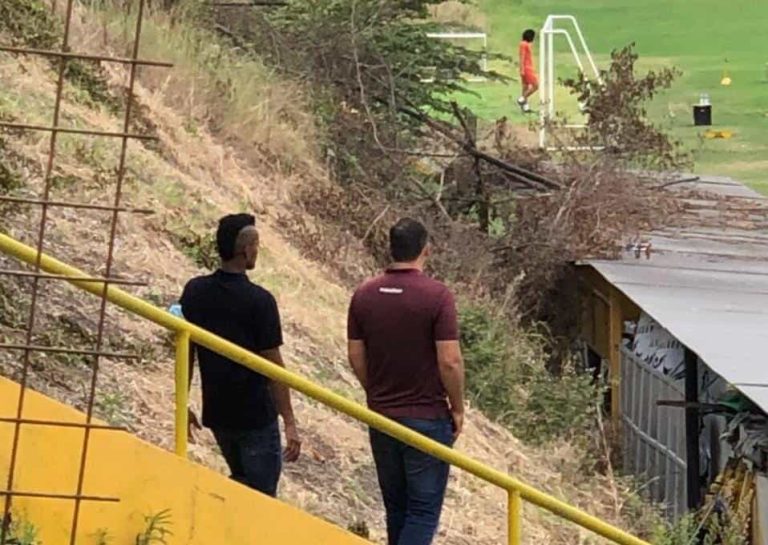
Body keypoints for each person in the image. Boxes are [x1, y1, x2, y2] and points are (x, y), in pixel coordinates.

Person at [347, 218, 465, 545]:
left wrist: (375, 391)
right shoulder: (438, 297)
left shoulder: (364, 294)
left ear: (391, 248)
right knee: (423, 512)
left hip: (381, 415)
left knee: (396, 507)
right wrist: (457, 408)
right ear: (426, 250)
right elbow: (450, 361)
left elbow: (355, 355)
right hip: (427, 418)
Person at [180, 213, 301, 497]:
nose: (257, 251)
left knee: (239, 484)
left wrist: (182, 402)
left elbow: (187, 350)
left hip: (219, 413)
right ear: (246, 249)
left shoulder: (195, 291)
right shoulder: (260, 301)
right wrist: (290, 421)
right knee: (261, 497)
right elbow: (274, 366)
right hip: (255, 416)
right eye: (256, 245)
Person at [517, 28, 538, 113]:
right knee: (536, 85)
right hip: (527, 68)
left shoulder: (526, 44)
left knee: (525, 87)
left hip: (527, 68)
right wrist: (522, 69)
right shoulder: (523, 44)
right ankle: (521, 99)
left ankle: (525, 107)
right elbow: (522, 57)